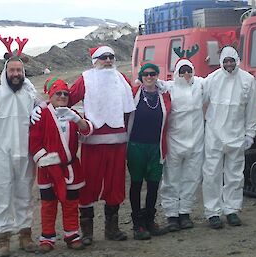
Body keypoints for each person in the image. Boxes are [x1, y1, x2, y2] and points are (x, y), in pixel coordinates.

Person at [68, 46, 136, 244]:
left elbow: (134, 97)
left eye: (111, 57)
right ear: (95, 60)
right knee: (89, 184)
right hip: (93, 142)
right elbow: (67, 97)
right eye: (103, 57)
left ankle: (112, 229)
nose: (108, 61)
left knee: (115, 184)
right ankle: (87, 232)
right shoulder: (86, 78)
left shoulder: (121, 78)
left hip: (117, 141)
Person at [29, 77, 93, 253]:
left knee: (71, 204)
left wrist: (77, 119)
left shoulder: (72, 113)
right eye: (58, 93)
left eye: (65, 93)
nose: (62, 96)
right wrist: (48, 161)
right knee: (48, 204)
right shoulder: (41, 114)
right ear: (51, 95)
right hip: (48, 170)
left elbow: (87, 131)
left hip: (71, 168)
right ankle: (47, 237)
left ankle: (72, 234)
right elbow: (34, 143)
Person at [202, 46, 256, 229]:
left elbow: (252, 109)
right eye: (225, 61)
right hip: (214, 135)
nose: (228, 64)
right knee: (212, 174)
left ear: (237, 60)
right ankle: (213, 212)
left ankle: (232, 210)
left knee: (235, 175)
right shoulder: (212, 79)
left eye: (231, 61)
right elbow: (194, 93)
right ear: (221, 62)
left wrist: (250, 133)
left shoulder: (248, 80)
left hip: (236, 135)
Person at [0, 44, 38, 256]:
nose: (15, 74)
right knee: (1, 196)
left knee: (24, 195)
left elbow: (44, 112)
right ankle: (2, 238)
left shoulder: (30, 96)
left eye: (19, 71)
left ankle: (25, 234)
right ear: (5, 72)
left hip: (25, 154)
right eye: (12, 70)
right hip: (0, 155)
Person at [159, 58, 204, 231]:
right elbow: (151, 82)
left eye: (189, 70)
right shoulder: (169, 87)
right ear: (176, 72)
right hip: (175, 142)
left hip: (196, 142)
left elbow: (217, 79)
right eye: (182, 71)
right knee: (171, 179)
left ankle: (184, 212)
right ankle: (171, 215)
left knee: (191, 178)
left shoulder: (200, 85)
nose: (186, 74)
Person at [127, 62, 171, 240]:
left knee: (153, 184)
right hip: (136, 145)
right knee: (136, 184)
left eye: (153, 74)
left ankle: (150, 220)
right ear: (141, 76)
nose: (150, 77)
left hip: (156, 146)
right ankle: (138, 224)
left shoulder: (164, 95)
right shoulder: (134, 93)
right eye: (146, 74)